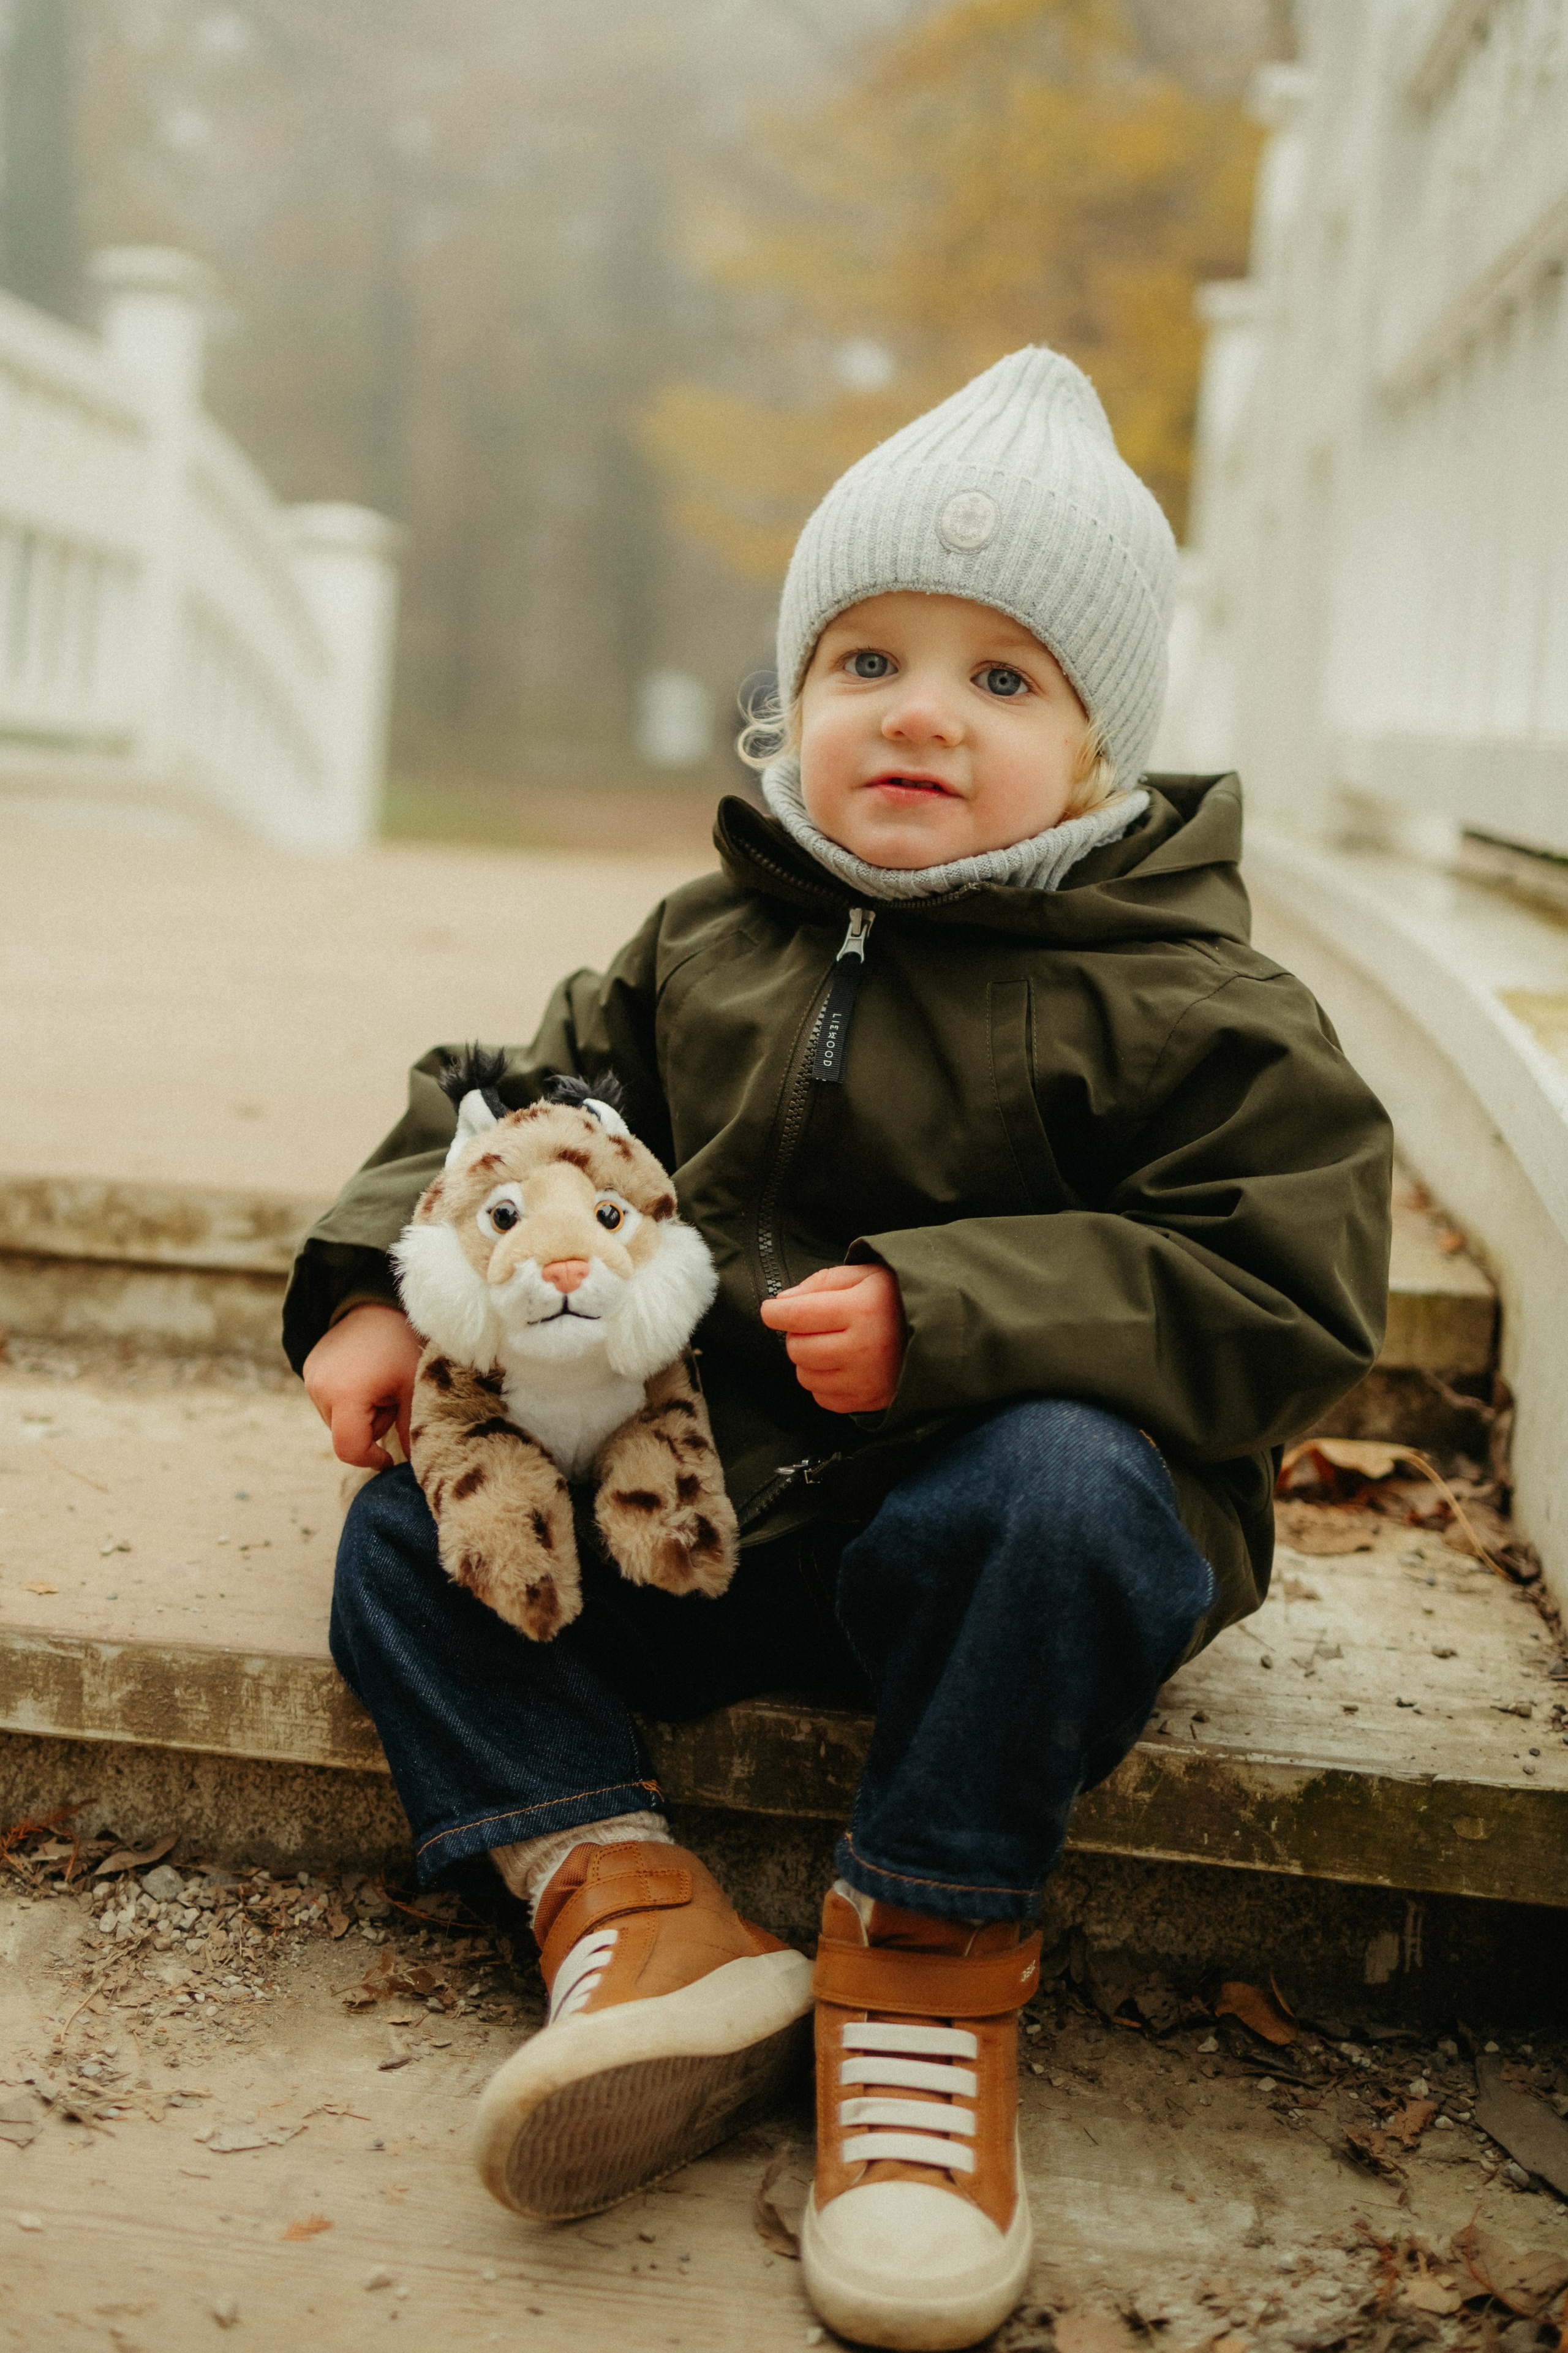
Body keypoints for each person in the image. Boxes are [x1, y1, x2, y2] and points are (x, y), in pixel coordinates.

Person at [286, 347, 1392, 2352]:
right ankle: (627, 1902)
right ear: (792, 694)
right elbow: (507, 1106)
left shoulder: (1192, 1000)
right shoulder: (707, 942)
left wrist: (957, 1315)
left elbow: (1290, 1283)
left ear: (1101, 747)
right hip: (709, 1512)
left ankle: (927, 1965)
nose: (920, 710)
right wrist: (378, 1277)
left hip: (978, 1556)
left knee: (1066, 1488)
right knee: (403, 1535)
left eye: (1004, 678)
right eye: (868, 657)